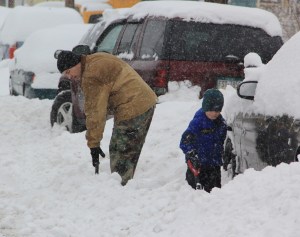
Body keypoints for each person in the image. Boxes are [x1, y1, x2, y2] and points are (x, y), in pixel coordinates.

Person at [56, 50, 157, 186]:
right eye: (65, 74)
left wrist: (93, 144)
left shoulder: (91, 75)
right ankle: (126, 185)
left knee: (120, 151)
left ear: (77, 63)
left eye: (69, 71)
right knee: (127, 150)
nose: (69, 76)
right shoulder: (94, 59)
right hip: (143, 100)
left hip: (132, 106)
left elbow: (95, 113)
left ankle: (121, 190)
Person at [179, 89, 227, 192]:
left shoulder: (220, 123)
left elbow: (221, 138)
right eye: (212, 110)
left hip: (214, 164)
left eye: (218, 111)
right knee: (196, 193)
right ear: (205, 108)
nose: (215, 114)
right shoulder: (198, 122)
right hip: (198, 166)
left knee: (215, 191)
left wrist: (221, 152)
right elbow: (185, 141)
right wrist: (192, 154)